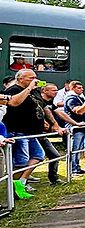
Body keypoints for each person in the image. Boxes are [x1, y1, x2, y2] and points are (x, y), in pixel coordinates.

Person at [3, 69, 49, 197]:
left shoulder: (34, 91)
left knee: (39, 155)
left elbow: (39, 106)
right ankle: (14, 189)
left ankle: (21, 183)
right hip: (17, 131)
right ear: (20, 79)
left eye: (35, 77)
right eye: (30, 78)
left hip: (31, 131)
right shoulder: (13, 90)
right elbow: (14, 102)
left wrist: (43, 120)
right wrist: (29, 88)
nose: (34, 80)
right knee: (21, 161)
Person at [34, 83, 67, 185]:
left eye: (57, 90)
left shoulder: (50, 103)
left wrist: (75, 124)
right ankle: (23, 182)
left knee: (55, 155)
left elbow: (60, 113)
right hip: (31, 133)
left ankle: (54, 179)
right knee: (31, 158)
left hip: (41, 134)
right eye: (53, 90)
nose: (56, 92)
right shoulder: (36, 100)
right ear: (44, 91)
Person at [62, 81, 85, 173]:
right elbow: (79, 111)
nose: (82, 89)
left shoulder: (79, 97)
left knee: (78, 149)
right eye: (79, 88)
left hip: (82, 127)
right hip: (75, 127)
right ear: (72, 88)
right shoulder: (71, 99)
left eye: (82, 88)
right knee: (74, 149)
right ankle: (73, 169)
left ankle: (77, 167)